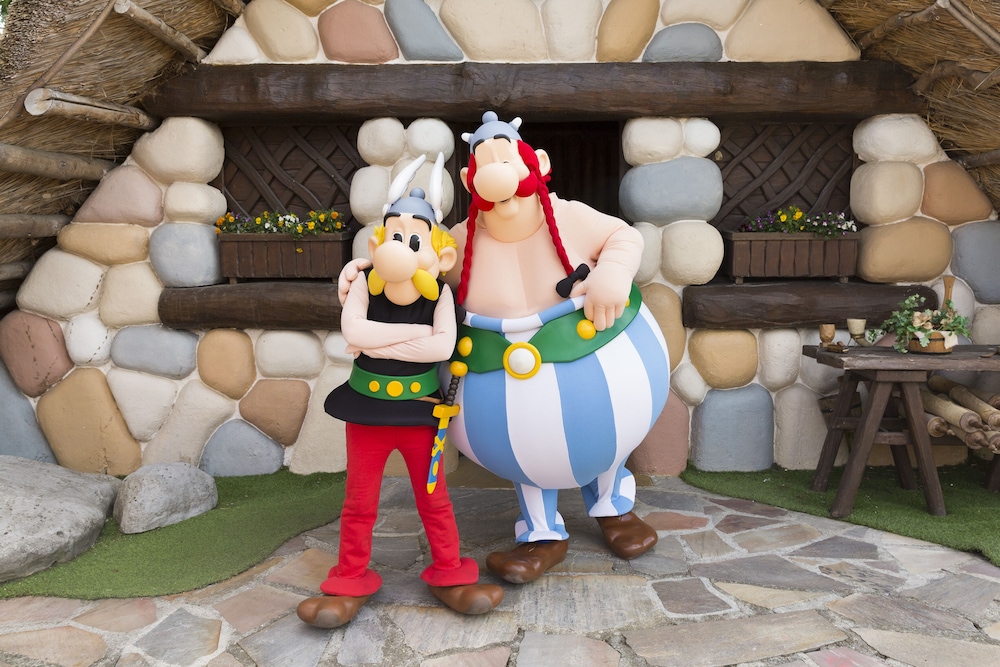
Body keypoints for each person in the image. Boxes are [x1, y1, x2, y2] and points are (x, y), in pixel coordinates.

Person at [340, 114, 670, 585]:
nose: (497, 176)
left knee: (606, 429)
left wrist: (613, 272)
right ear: (468, 180)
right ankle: (541, 535)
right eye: (484, 163)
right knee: (526, 451)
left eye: (505, 158)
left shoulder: (568, 215)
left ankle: (614, 508)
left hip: (592, 353)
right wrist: (361, 270)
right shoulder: (459, 240)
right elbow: (409, 267)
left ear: (538, 164)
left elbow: (624, 235)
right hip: (497, 375)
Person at [297, 154, 503, 628]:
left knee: (434, 497)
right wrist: (410, 337)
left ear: (438, 254)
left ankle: (449, 572)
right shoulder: (365, 285)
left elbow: (442, 346)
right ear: (378, 243)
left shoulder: (440, 294)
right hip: (366, 411)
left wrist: (375, 339)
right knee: (359, 501)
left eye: (413, 240)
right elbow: (354, 331)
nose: (402, 248)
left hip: (421, 413)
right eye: (394, 237)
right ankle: (350, 579)